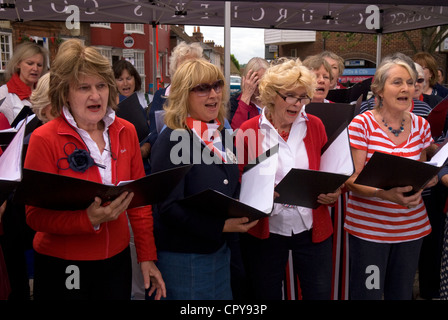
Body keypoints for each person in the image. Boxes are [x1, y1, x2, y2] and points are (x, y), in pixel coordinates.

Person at [23, 39, 165, 300]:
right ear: (65, 92)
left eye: (101, 86)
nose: (95, 95)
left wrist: (147, 257)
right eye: (84, 87)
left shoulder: (127, 131)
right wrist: (87, 220)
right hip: (64, 265)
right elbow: (34, 216)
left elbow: (140, 203)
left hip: (117, 261)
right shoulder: (44, 138)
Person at [150, 58, 257, 300]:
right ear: (182, 95)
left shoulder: (220, 132)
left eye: (217, 85)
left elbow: (230, 184)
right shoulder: (173, 138)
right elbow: (168, 208)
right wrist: (221, 226)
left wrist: (255, 196)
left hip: (220, 252)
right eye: (202, 88)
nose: (213, 94)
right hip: (185, 258)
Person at [235, 57, 341, 300]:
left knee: (319, 293)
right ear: (271, 94)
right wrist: (257, 192)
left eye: (303, 97)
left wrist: (334, 191)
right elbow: (238, 177)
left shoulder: (315, 125)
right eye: (290, 96)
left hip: (311, 228)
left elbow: (332, 171)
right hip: (267, 231)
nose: (298, 104)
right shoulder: (249, 130)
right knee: (265, 293)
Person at [344, 55, 437, 300]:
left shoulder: (421, 126)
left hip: (411, 230)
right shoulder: (361, 124)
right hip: (370, 234)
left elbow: (424, 169)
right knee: (369, 293)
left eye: (410, 82)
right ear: (380, 90)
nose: (406, 88)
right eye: (397, 82)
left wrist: (430, 178)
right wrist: (384, 194)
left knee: (401, 293)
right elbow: (351, 180)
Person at [147, 42, 204, 151]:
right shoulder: (161, 95)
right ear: (175, 68)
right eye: (184, 65)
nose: (188, 70)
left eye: (193, 65)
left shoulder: (206, 95)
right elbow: (154, 134)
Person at [113, 59, 151, 175]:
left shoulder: (144, 101)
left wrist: (148, 145)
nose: (125, 83)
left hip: (145, 167)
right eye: (120, 79)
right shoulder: (109, 108)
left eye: (129, 78)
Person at [0, 42, 48, 125]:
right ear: (18, 64)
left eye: (39, 65)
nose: (35, 68)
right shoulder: (3, 93)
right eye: (30, 63)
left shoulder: (46, 93)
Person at [229, 57, 269, 129]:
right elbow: (236, 133)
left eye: (264, 83)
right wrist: (245, 98)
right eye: (256, 84)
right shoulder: (233, 103)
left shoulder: (274, 101)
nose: (261, 88)